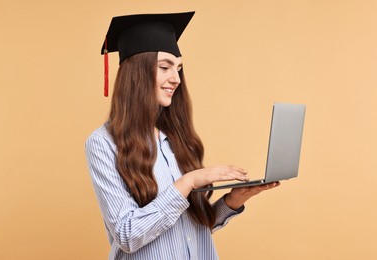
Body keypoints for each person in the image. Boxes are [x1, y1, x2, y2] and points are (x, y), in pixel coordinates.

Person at [85, 11, 279, 260]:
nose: (176, 79)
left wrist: (231, 201)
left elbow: (191, 230)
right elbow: (127, 235)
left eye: (179, 68)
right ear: (136, 74)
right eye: (165, 67)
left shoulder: (175, 136)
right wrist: (187, 182)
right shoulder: (103, 143)